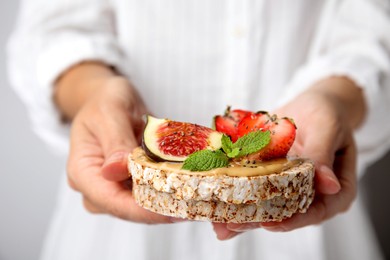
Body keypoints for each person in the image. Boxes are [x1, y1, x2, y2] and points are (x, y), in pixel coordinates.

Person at [7, 0, 390, 259]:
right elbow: (53, 28)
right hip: (120, 239)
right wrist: (94, 91)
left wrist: (337, 98)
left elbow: (373, 26)